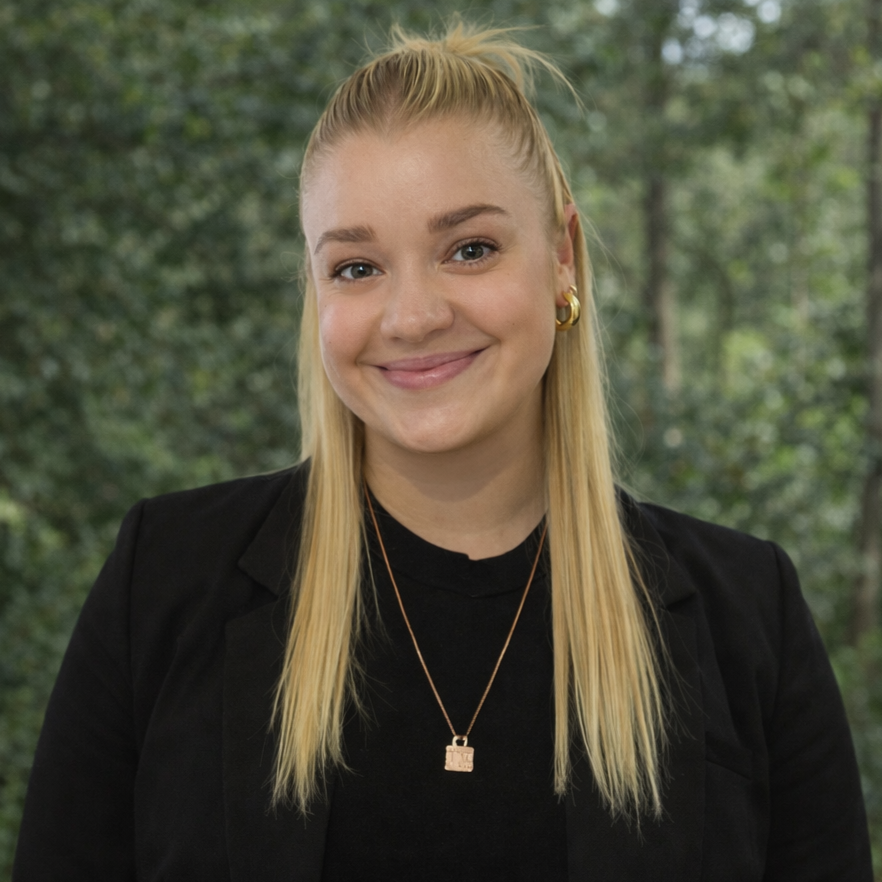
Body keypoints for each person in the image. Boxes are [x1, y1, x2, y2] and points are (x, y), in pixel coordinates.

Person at [14, 21, 872, 882]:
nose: (414, 316)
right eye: (357, 267)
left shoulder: (747, 615)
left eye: (470, 249)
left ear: (563, 258)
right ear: (316, 293)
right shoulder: (162, 581)